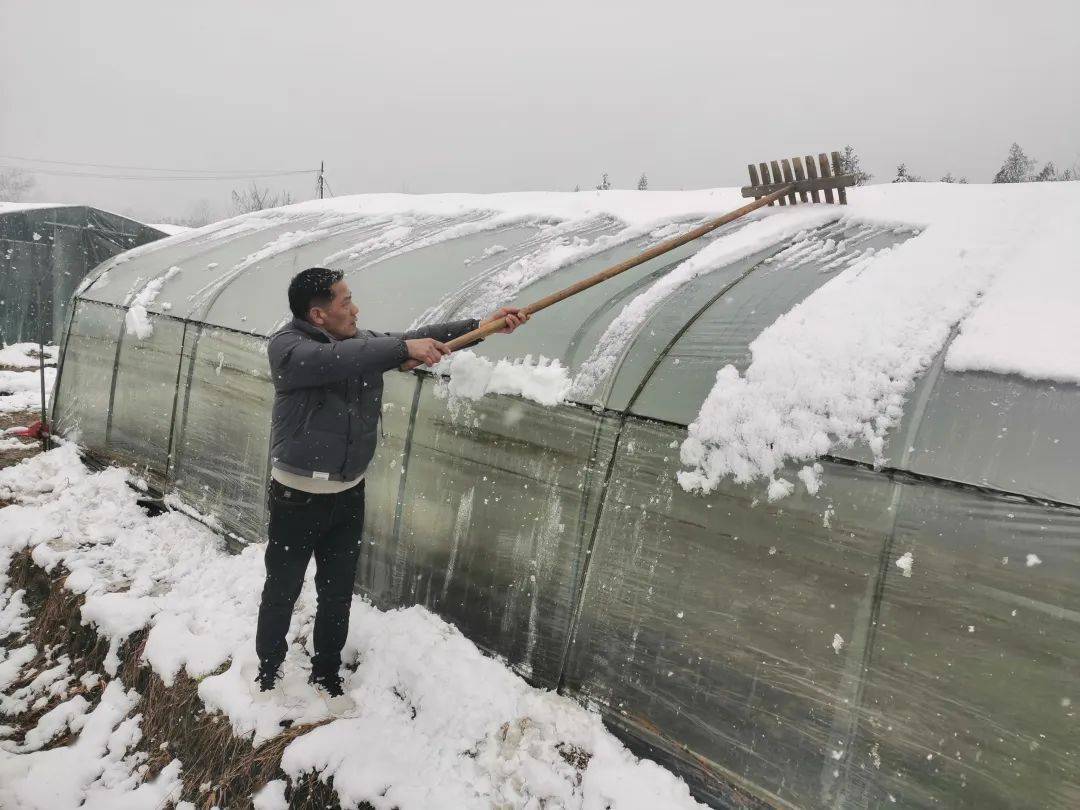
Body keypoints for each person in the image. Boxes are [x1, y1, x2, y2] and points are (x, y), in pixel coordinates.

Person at [255, 267, 527, 696]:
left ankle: (326, 673)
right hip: (297, 497)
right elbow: (339, 361)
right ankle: (267, 674)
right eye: (345, 301)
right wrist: (400, 348)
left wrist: (481, 327)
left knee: (337, 593)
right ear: (318, 314)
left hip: (347, 494)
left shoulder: (359, 344)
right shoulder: (289, 349)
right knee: (282, 588)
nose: (355, 307)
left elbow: (417, 337)